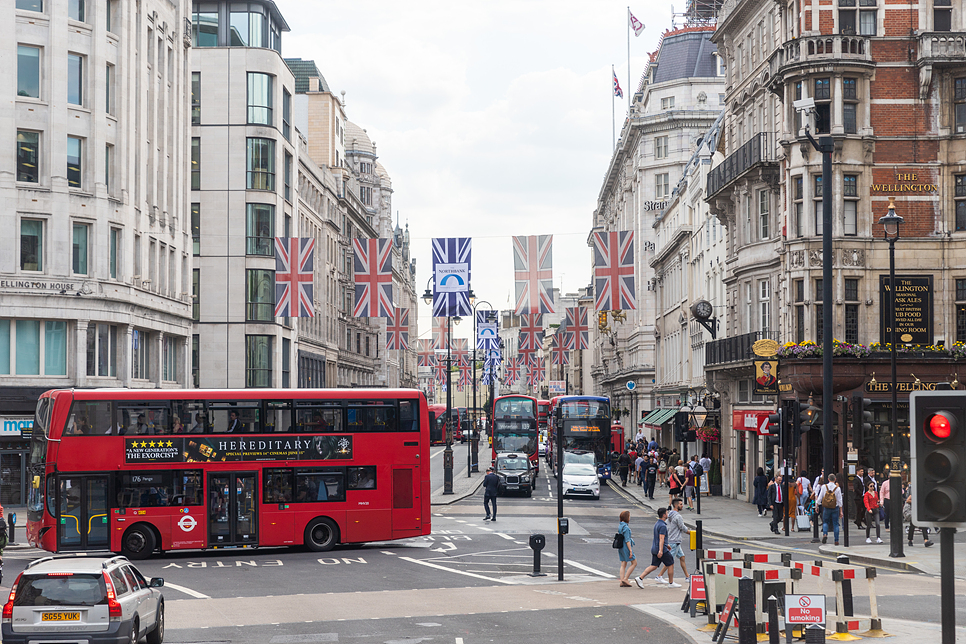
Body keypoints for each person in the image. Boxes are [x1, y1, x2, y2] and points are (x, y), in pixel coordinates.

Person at [634, 507, 680, 588]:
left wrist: (667, 544)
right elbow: (661, 538)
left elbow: (659, 538)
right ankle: (671, 583)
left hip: (654, 548)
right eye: (666, 513)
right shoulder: (662, 526)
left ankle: (640, 578)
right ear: (664, 515)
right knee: (671, 564)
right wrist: (661, 550)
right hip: (661, 549)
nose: (668, 514)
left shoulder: (657, 524)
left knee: (654, 565)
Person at [657, 498, 690, 583]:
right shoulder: (678, 516)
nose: (682, 506)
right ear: (676, 505)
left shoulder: (669, 514)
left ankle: (687, 577)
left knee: (682, 557)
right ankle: (659, 576)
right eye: (680, 504)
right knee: (669, 561)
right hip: (674, 541)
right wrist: (691, 533)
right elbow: (682, 528)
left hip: (674, 540)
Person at [816, 473, 843, 545]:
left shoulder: (824, 487)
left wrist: (817, 505)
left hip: (826, 507)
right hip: (835, 507)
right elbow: (840, 500)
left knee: (825, 522)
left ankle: (825, 533)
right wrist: (841, 511)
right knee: (836, 524)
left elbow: (820, 497)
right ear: (835, 479)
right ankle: (836, 540)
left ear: (828, 479)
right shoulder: (837, 488)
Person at [617, 510, 637, 587]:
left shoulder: (620, 526)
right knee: (634, 563)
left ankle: (622, 581)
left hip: (621, 547)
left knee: (623, 563)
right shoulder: (626, 528)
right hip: (626, 547)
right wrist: (630, 551)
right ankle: (626, 578)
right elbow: (627, 540)